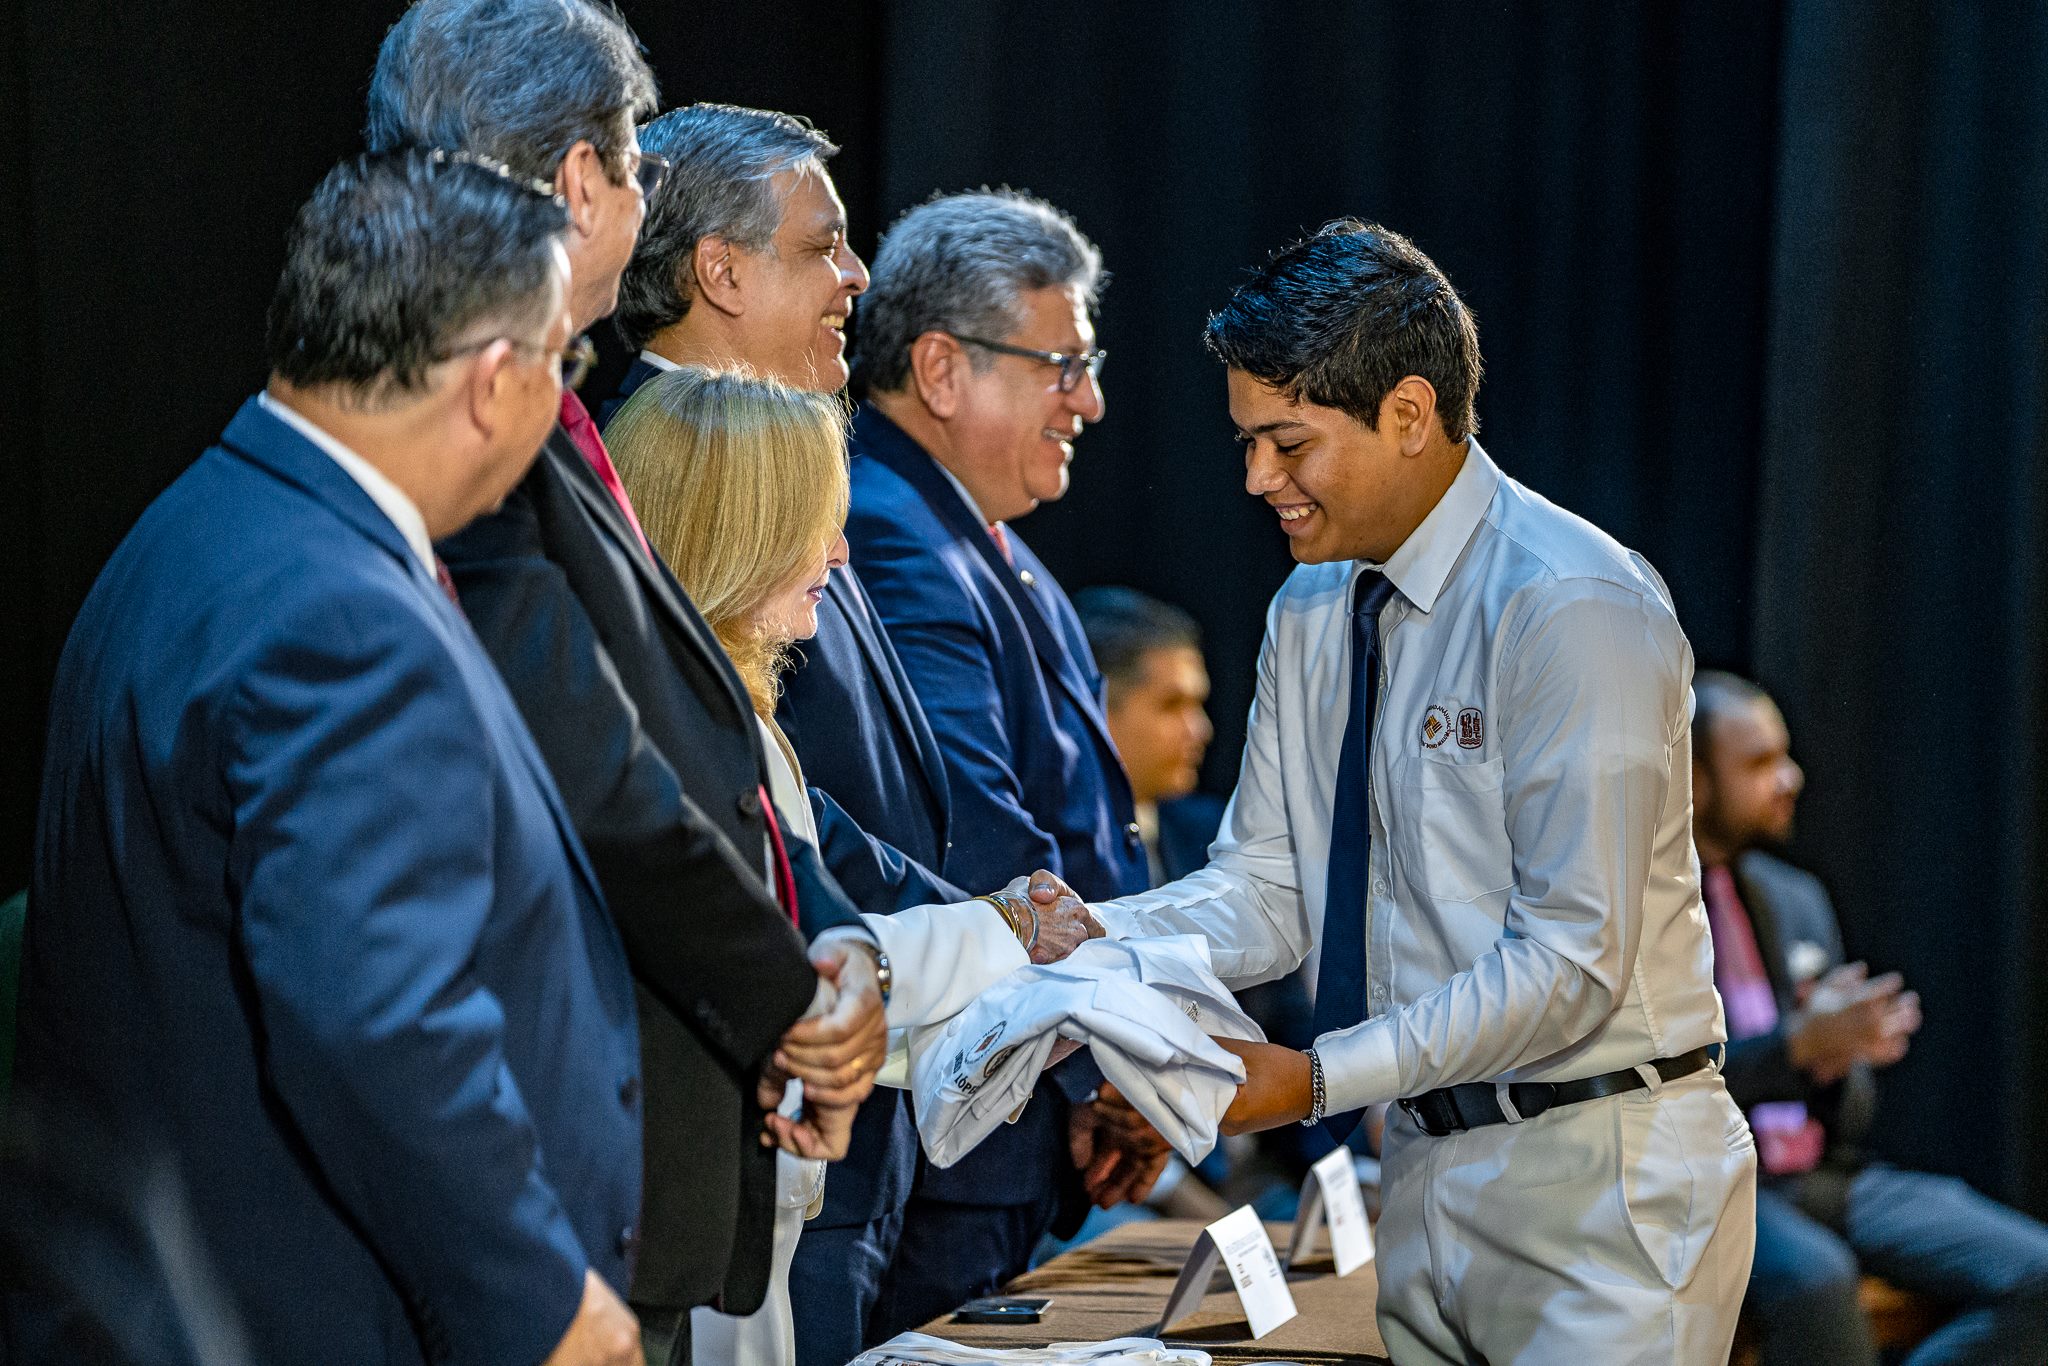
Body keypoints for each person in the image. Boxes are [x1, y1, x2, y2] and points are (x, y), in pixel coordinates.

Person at [1030, 220, 1756, 1362]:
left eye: (1286, 442)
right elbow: (1267, 891)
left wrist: (1310, 1080)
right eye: (1246, 442)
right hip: (1418, 1161)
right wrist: (1081, 944)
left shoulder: (1568, 602)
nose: (1256, 477)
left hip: (1600, 1176)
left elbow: (1571, 961)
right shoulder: (1312, 606)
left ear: (1408, 415)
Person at [8, 149, 642, 1366]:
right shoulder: (343, 615)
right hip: (303, 1316)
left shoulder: (203, 522)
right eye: (563, 361)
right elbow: (383, 1018)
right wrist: (535, 1294)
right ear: (494, 381)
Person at [364, 8, 887, 1363]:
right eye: (640, 165)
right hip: (567, 1164)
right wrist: (794, 1002)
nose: (645, 200)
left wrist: (822, 934)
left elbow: (707, 752)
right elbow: (602, 771)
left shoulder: (550, 411)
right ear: (583, 182)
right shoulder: (465, 425)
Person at [606, 366, 1106, 1364]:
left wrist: (1018, 966)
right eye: (816, 523)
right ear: (736, 526)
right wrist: (1006, 933)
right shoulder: (658, 747)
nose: (840, 553)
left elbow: (845, 887)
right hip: (683, 1240)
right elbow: (801, 957)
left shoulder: (741, 727)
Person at [845, 189, 1170, 1337]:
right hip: (955, 1134)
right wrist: (1107, 1063)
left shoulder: (989, 545)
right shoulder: (888, 529)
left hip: (1018, 1118)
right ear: (942, 369)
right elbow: (974, 830)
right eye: (1061, 365)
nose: (1088, 399)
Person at [1692, 670, 2048, 1365]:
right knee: (1818, 1281)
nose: (1790, 777)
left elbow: (1852, 1114)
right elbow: (1657, 1088)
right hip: (1715, 1184)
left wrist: (1835, 1060)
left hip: (1820, 1176)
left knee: (2036, 1277)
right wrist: (1794, 1048)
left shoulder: (1795, 898)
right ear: (1696, 781)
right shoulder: (1650, 910)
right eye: (1760, 763)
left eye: (1785, 755)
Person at [1073, 586, 1222, 885]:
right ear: (1097, 708)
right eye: (1172, 705)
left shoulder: (1218, 839)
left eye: (1198, 705)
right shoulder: (1048, 846)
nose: (1201, 730)